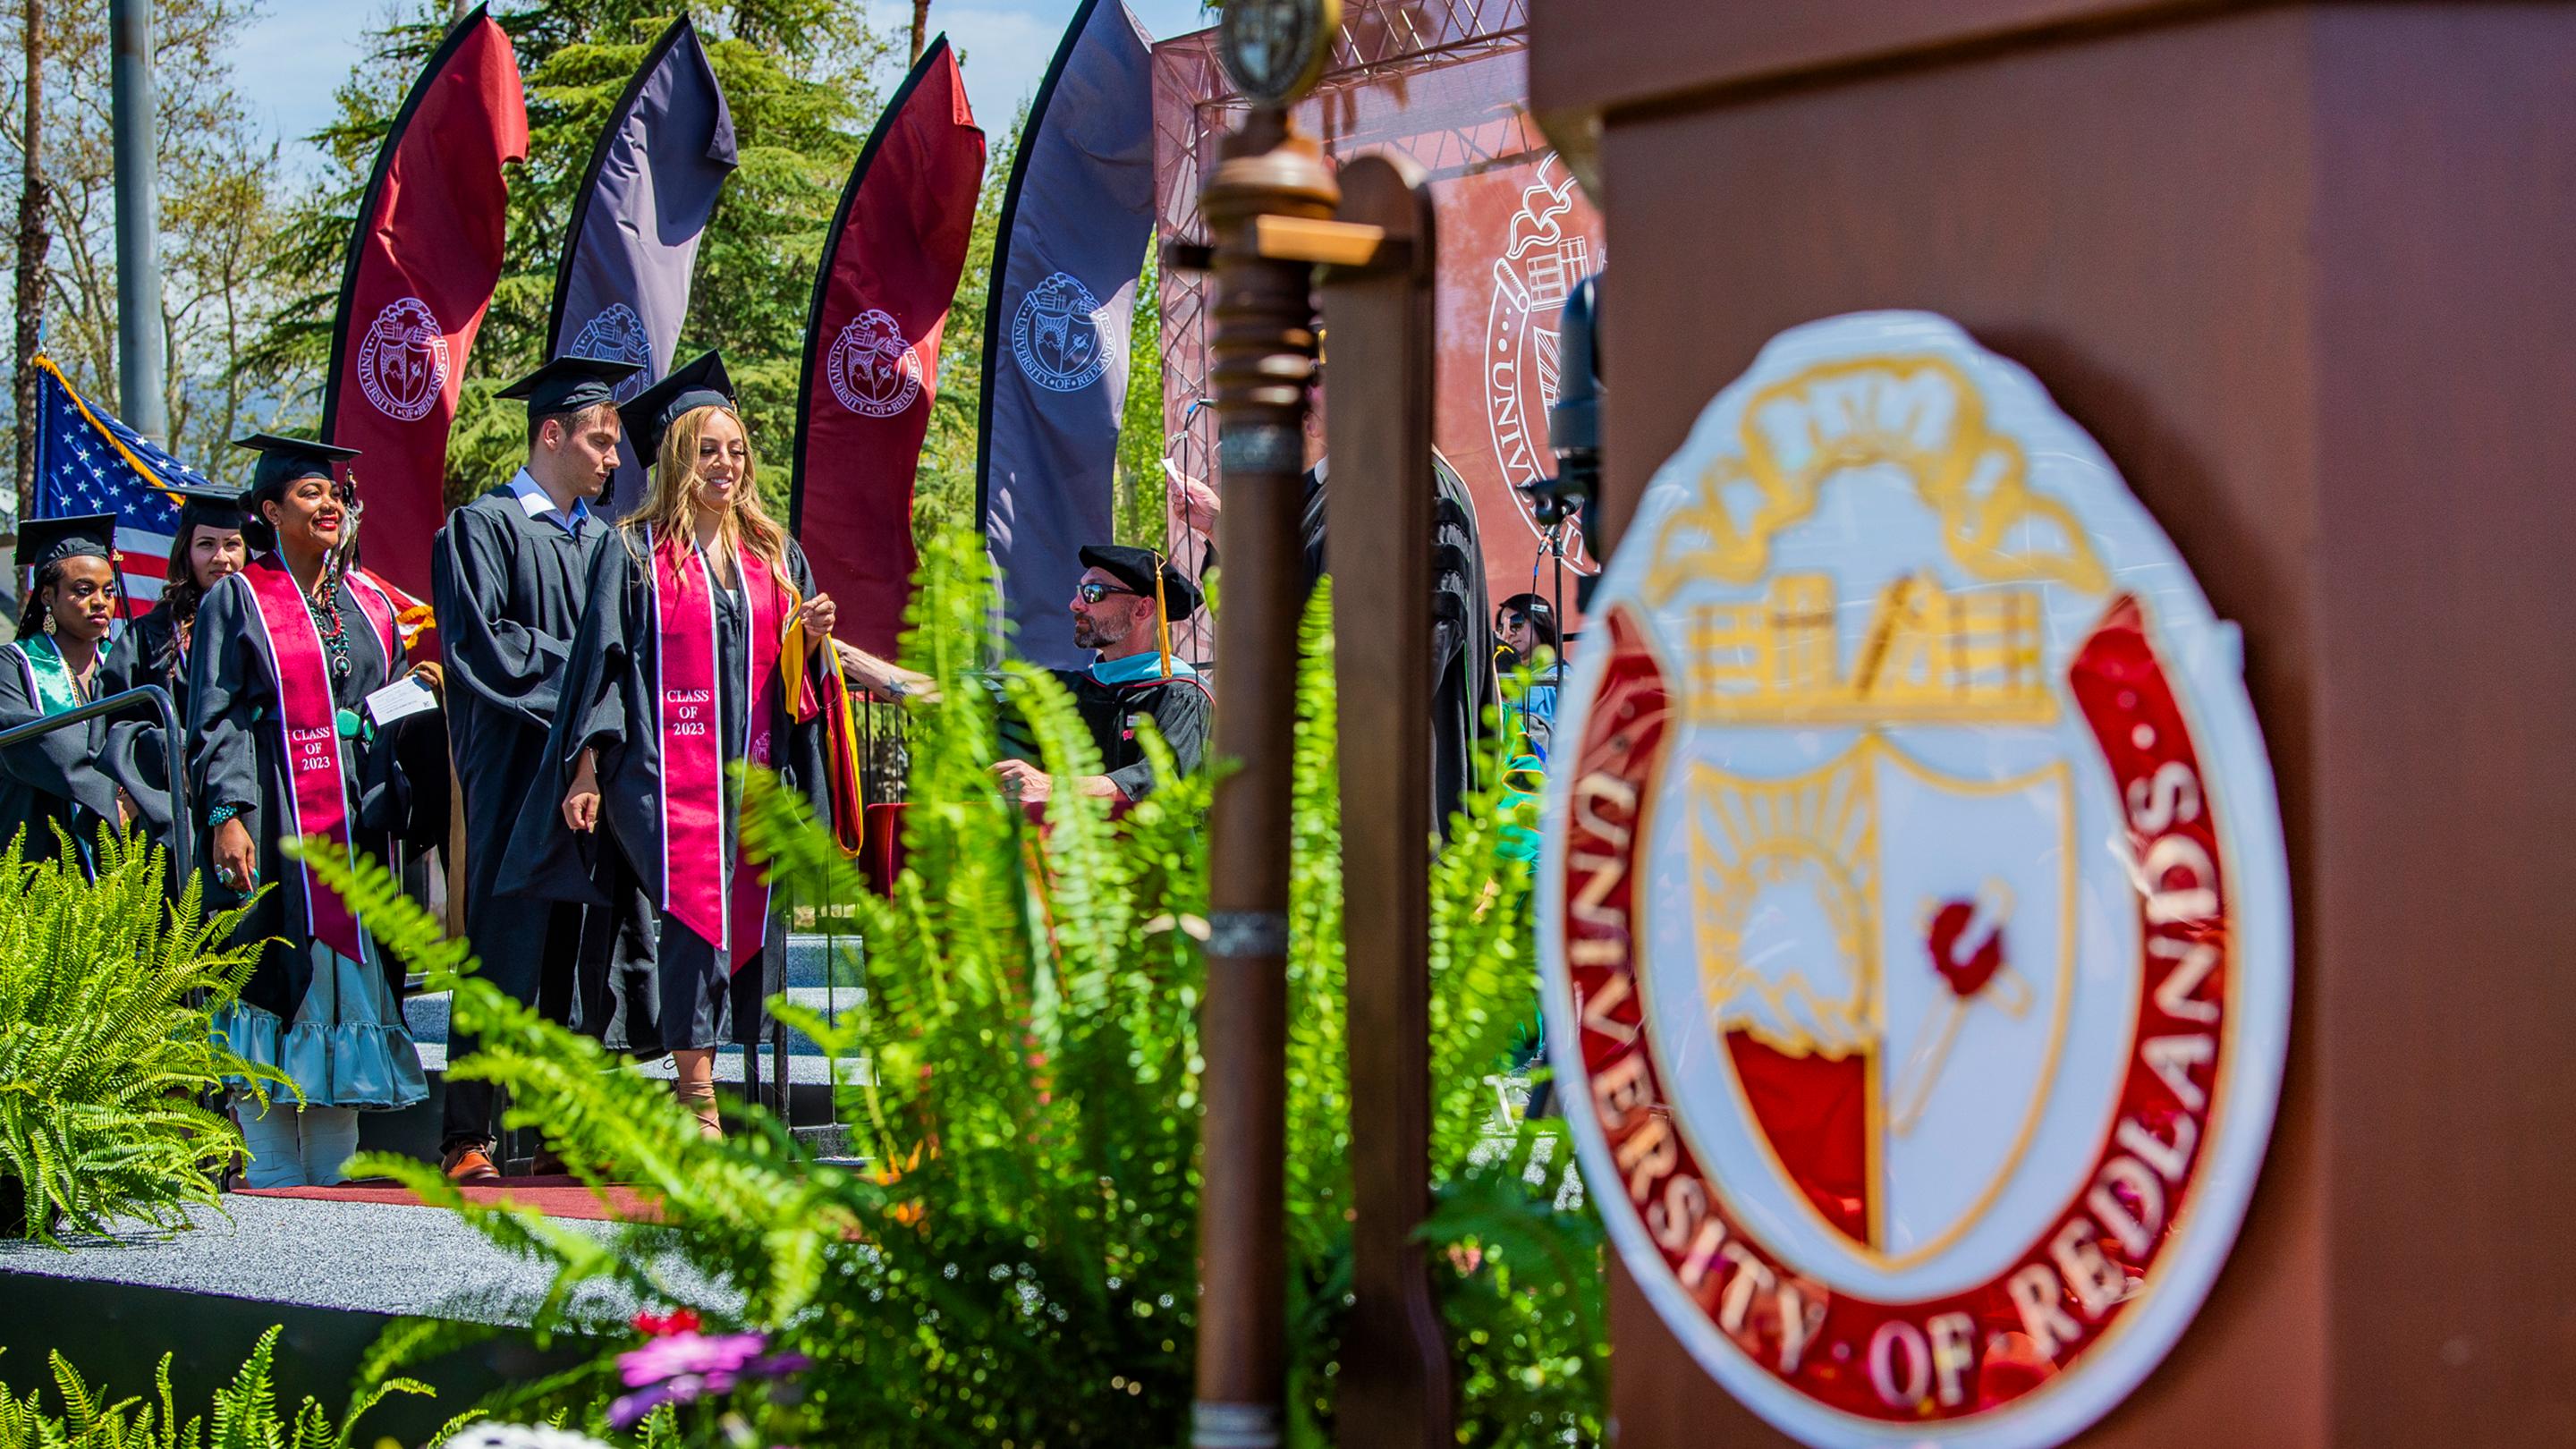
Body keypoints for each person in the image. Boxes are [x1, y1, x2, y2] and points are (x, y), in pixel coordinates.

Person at [501, 352, 839, 1139]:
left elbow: (795, 676)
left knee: (751, 917)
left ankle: (747, 1080)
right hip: (662, 770)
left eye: (736, 450)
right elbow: (602, 663)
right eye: (708, 449)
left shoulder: (775, 555)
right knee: (693, 912)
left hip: (755, 765)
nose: (725, 464)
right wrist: (585, 765)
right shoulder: (631, 552)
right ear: (678, 457)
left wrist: (809, 636)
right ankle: (697, 1094)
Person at [191, 434, 438, 1188]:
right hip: (272, 819)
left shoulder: (370, 603)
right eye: (309, 494)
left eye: (335, 495)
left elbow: (378, 705)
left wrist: (415, 687)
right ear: (269, 511)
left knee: (346, 993)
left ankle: (329, 1188)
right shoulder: (237, 599)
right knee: (273, 979)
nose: (330, 504)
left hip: (355, 830)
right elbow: (218, 715)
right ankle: (268, 1176)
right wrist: (227, 810)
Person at [429, 354, 637, 1182]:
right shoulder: (481, 528)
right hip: (516, 767)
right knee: (502, 941)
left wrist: (600, 722)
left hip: (586, 771)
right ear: (551, 435)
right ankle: (465, 1136)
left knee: (572, 946)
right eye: (600, 441)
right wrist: (589, 680)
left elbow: (625, 654)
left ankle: (558, 1126)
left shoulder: (603, 544)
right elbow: (490, 648)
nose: (613, 459)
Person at [992, 544, 1211, 806]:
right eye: (1079, 592)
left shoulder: (1181, 695)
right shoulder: (1063, 691)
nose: (1075, 604)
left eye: (1093, 592)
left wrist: (1054, 787)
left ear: (1142, 609)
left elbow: (1160, 780)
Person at [0, 515, 155, 869]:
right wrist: (104, 795)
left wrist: (137, 793)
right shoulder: (12, 666)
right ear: (48, 596)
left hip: (126, 840)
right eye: (83, 590)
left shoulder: (123, 666)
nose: (100, 601)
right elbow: (31, 742)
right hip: (41, 841)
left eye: (108, 590)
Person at [104, 483, 250, 726]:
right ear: (186, 551)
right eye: (206, 544)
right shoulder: (149, 636)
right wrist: (170, 747)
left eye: (232, 544)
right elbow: (118, 724)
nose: (220, 557)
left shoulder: (269, 624)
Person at [1494, 591, 1563, 764]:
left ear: (1540, 621)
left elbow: (1528, 705)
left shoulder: (1561, 673)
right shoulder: (1510, 673)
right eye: (1501, 628)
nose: (1509, 633)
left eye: (1516, 623)